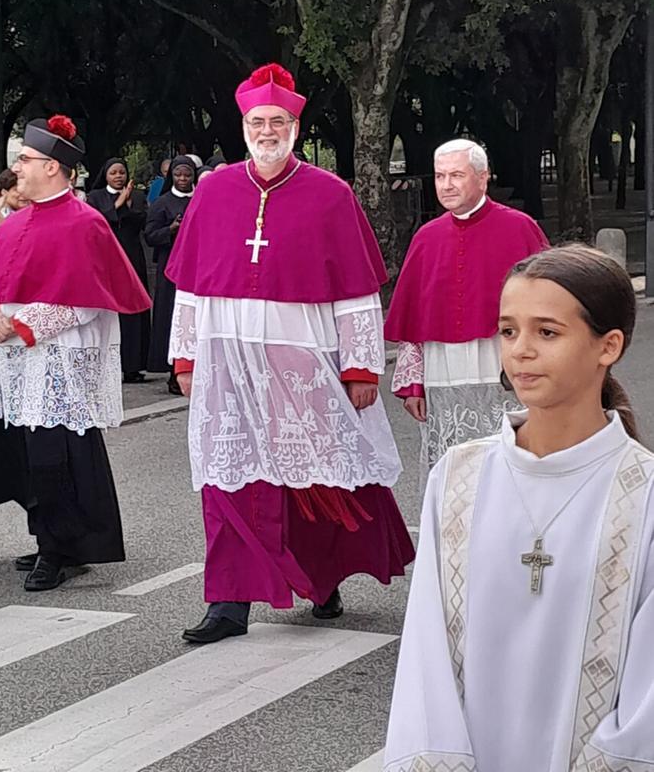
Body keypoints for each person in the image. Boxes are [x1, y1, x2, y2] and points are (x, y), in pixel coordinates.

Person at [166, 64, 414, 644]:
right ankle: (228, 604)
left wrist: (359, 367)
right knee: (229, 482)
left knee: (311, 481)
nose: (268, 129)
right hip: (227, 361)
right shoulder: (214, 189)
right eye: (258, 120)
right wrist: (185, 358)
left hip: (304, 361)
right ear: (244, 125)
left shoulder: (332, 195)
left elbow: (356, 292)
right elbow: (191, 286)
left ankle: (320, 578)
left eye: (279, 120)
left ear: (295, 128)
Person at [384, 244, 654, 772]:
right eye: (509, 331)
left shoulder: (643, 495)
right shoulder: (459, 478)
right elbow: (425, 654)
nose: (520, 351)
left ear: (609, 346)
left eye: (546, 332)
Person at [0, 115, 151, 591]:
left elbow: (88, 299)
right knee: (24, 453)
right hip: (11, 356)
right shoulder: (14, 222)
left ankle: (61, 549)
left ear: (52, 167)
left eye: (25, 160)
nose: (17, 168)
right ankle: (50, 536)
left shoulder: (86, 223)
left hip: (56, 358)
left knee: (56, 455)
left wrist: (21, 325)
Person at [385, 138, 548, 485]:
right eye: (440, 176)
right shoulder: (426, 238)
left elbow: (549, 305)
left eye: (456, 175)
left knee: (511, 459)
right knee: (453, 468)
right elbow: (412, 317)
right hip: (443, 367)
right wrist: (414, 383)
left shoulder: (519, 227)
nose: (446, 185)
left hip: (502, 361)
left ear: (482, 177)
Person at [87, 158, 151, 384]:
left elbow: (142, 222)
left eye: (122, 172)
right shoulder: (95, 197)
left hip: (132, 256)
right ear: (106, 175)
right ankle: (105, 362)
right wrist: (118, 204)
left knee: (132, 311)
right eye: (113, 172)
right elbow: (94, 223)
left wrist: (128, 204)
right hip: (105, 259)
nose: (118, 176)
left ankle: (133, 366)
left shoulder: (139, 196)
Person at [145, 155, 196, 393]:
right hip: (169, 266)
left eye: (187, 175)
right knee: (169, 317)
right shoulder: (161, 203)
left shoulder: (199, 199)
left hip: (195, 265)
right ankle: (172, 373)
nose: (183, 179)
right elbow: (150, 235)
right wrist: (171, 229)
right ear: (171, 177)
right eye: (178, 175)